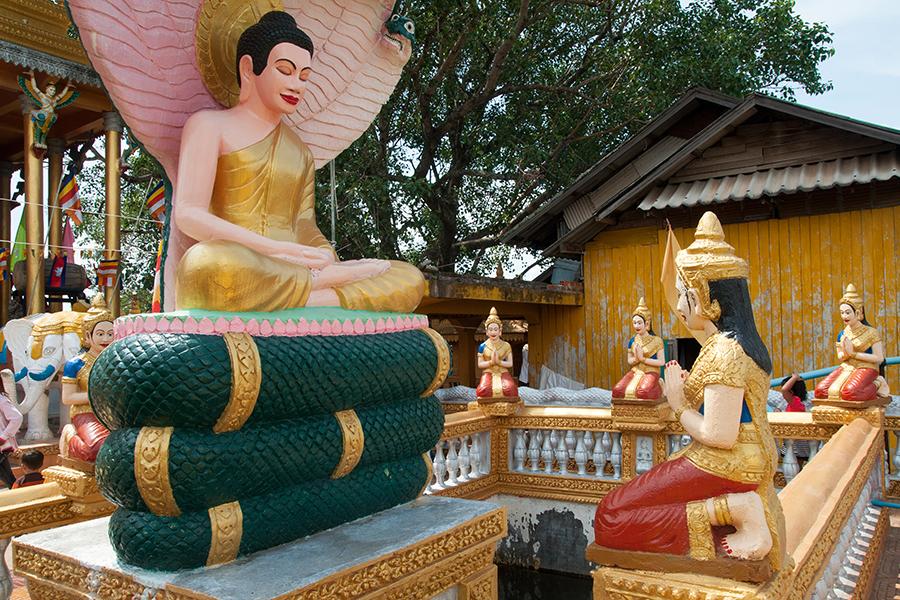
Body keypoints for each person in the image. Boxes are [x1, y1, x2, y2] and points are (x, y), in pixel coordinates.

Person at [173, 11, 424, 313]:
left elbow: (304, 223)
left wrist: (322, 254)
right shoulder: (209, 126)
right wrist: (278, 250)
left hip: (288, 271)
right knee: (206, 266)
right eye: (285, 70)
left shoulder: (299, 151)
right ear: (249, 68)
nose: (297, 85)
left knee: (409, 278)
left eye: (304, 76)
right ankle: (321, 293)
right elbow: (188, 214)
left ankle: (308, 294)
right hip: (241, 259)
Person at [593, 212, 786, 573]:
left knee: (610, 516)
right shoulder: (730, 344)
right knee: (634, 499)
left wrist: (680, 404)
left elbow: (720, 434)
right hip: (738, 457)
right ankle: (728, 513)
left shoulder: (726, 352)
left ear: (707, 301)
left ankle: (737, 510)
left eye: (684, 295)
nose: (679, 307)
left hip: (729, 461)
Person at [60, 295, 113, 462]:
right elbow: (67, 398)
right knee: (96, 449)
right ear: (88, 337)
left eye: (110, 334)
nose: (106, 339)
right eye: (100, 334)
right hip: (86, 412)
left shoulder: (117, 361)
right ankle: (70, 439)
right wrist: (96, 396)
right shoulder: (75, 364)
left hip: (113, 413)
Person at [814, 284, 889, 402]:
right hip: (847, 366)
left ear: (858, 312)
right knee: (821, 391)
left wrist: (854, 354)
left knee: (851, 393)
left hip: (867, 367)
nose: (844, 316)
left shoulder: (871, 332)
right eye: (842, 312)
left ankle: (878, 383)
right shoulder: (843, 334)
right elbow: (840, 356)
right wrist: (845, 354)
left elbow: (879, 358)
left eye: (848, 312)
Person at [611, 297, 665, 401]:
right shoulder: (633, 341)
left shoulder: (657, 341)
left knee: (643, 393)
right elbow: (629, 361)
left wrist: (643, 359)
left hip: (651, 371)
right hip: (636, 370)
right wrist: (636, 359)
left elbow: (661, 362)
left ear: (647, 324)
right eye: (634, 323)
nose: (636, 325)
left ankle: (659, 386)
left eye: (639, 322)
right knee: (617, 391)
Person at [475, 307, 519, 400]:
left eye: (495, 329)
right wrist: (491, 362)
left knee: (511, 390)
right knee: (483, 391)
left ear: (500, 331)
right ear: (486, 331)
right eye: (490, 329)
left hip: (502, 371)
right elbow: (480, 364)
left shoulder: (506, 345)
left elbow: (510, 363)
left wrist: (499, 362)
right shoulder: (482, 346)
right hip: (489, 371)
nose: (493, 332)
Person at [0, 391, 23, 488]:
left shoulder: (1, 400)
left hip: (1, 444)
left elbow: (16, 418)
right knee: (7, 476)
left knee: (7, 477)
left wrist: (3, 437)